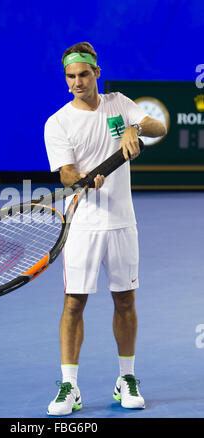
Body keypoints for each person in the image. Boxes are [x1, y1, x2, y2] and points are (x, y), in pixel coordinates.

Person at [44, 42, 167, 416]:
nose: (78, 82)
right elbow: (66, 174)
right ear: (66, 81)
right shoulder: (58, 122)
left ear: (97, 73)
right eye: (71, 76)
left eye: (84, 74)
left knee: (125, 300)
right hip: (82, 226)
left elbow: (158, 126)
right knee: (74, 303)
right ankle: (69, 387)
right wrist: (80, 177)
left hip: (122, 223)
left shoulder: (119, 103)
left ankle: (125, 378)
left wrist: (134, 126)